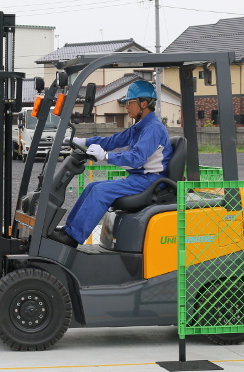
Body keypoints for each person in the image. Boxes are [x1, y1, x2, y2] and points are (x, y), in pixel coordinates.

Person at [50, 80, 173, 248]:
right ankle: (68, 230)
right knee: (92, 187)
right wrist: (83, 140)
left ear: (143, 103)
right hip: (140, 179)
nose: (126, 106)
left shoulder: (153, 129)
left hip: (151, 181)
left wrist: (106, 156)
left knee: (101, 191)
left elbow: (137, 159)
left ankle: (72, 238)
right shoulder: (139, 127)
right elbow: (112, 141)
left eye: (129, 102)